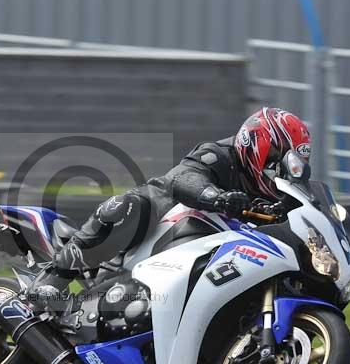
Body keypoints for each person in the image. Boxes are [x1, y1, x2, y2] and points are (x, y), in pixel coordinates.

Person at [41, 107, 312, 287]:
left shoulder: (275, 195)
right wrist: (217, 198)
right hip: (160, 229)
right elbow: (184, 178)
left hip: (211, 259)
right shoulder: (217, 155)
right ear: (259, 144)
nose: (278, 170)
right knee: (130, 206)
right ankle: (55, 279)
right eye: (277, 159)